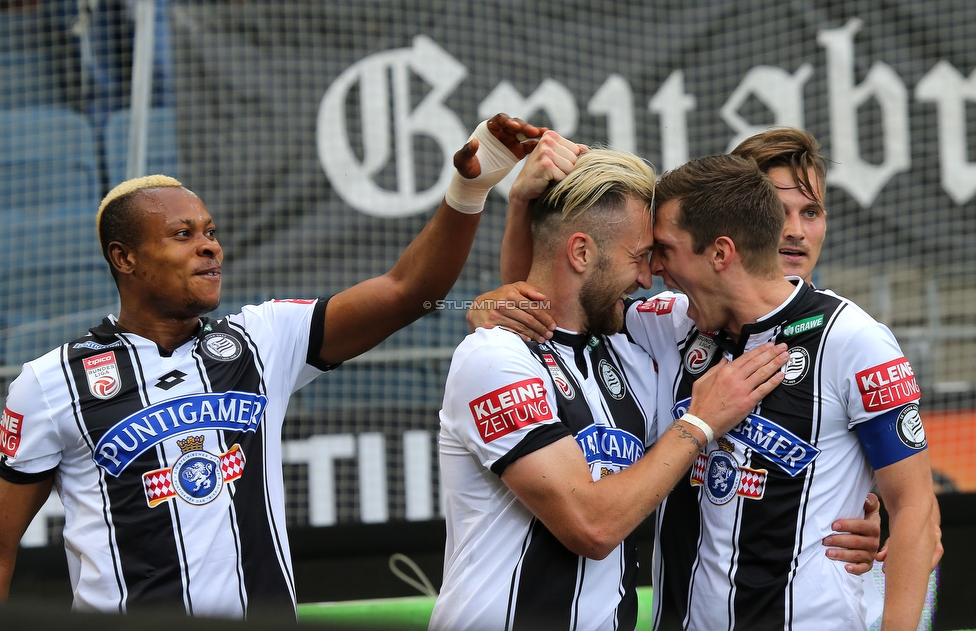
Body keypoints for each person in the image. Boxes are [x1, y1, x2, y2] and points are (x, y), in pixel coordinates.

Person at [0, 113, 545, 618]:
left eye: (210, 232)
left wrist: (470, 189)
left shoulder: (260, 341)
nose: (209, 247)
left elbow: (408, 292)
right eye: (183, 235)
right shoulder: (50, 383)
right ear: (125, 258)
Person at [429, 147, 790, 631]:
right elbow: (591, 527)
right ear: (581, 252)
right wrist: (698, 423)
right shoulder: (494, 358)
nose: (648, 277)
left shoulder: (634, 356)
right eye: (639, 257)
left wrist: (856, 507)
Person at [631, 154, 936, 630]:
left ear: (719, 253)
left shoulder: (854, 339)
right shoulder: (668, 320)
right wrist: (496, 308)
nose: (652, 268)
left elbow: (916, 508)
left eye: (665, 249)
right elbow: (558, 303)